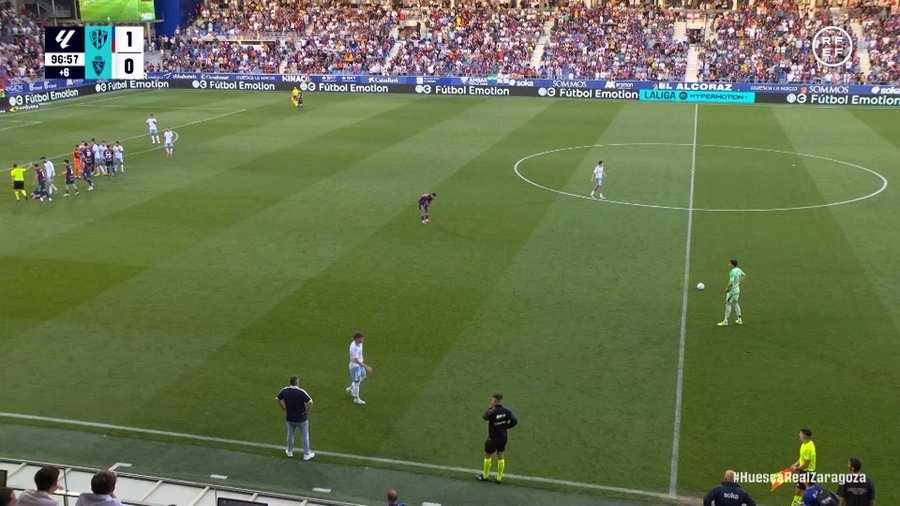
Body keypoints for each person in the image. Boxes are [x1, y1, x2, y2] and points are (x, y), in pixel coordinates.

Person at [478, 392, 517, 484]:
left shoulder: (491, 411)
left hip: (492, 439)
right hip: (503, 438)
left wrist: (491, 408)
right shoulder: (507, 411)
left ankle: (485, 475)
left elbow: (485, 417)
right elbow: (514, 421)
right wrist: (506, 426)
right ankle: (499, 477)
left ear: (494, 400)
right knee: (501, 456)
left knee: (488, 456)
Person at [275, 375, 315, 461]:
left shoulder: (285, 390)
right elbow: (310, 402)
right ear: (297, 383)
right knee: (304, 436)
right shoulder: (301, 392)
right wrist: (307, 412)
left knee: (290, 434)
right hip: (301, 418)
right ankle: (306, 454)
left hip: (290, 418)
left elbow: (277, 399)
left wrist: (283, 408)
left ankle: (289, 451)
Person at [788, 428, 817, 506]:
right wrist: (795, 464)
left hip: (807, 473)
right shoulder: (805, 444)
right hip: (805, 472)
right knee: (799, 491)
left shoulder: (808, 448)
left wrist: (796, 468)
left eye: (800, 434)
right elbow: (802, 458)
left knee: (804, 492)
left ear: (804, 436)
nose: (799, 435)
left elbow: (806, 464)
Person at [346, 332, 373, 405]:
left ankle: (351, 387)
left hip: (360, 364)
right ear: (356, 339)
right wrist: (366, 367)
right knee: (357, 382)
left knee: (363, 375)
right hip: (355, 367)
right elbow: (355, 360)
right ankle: (356, 398)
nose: (362, 340)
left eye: (362, 338)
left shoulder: (359, 343)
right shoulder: (354, 348)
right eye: (361, 338)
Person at [717, 259, 746, 326]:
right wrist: (738, 282)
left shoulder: (732, 272)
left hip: (732, 291)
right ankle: (739, 320)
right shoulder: (738, 269)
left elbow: (731, 283)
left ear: (732, 265)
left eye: (729, 263)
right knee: (736, 303)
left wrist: (727, 288)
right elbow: (744, 276)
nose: (728, 264)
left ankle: (725, 321)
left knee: (728, 304)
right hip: (737, 290)